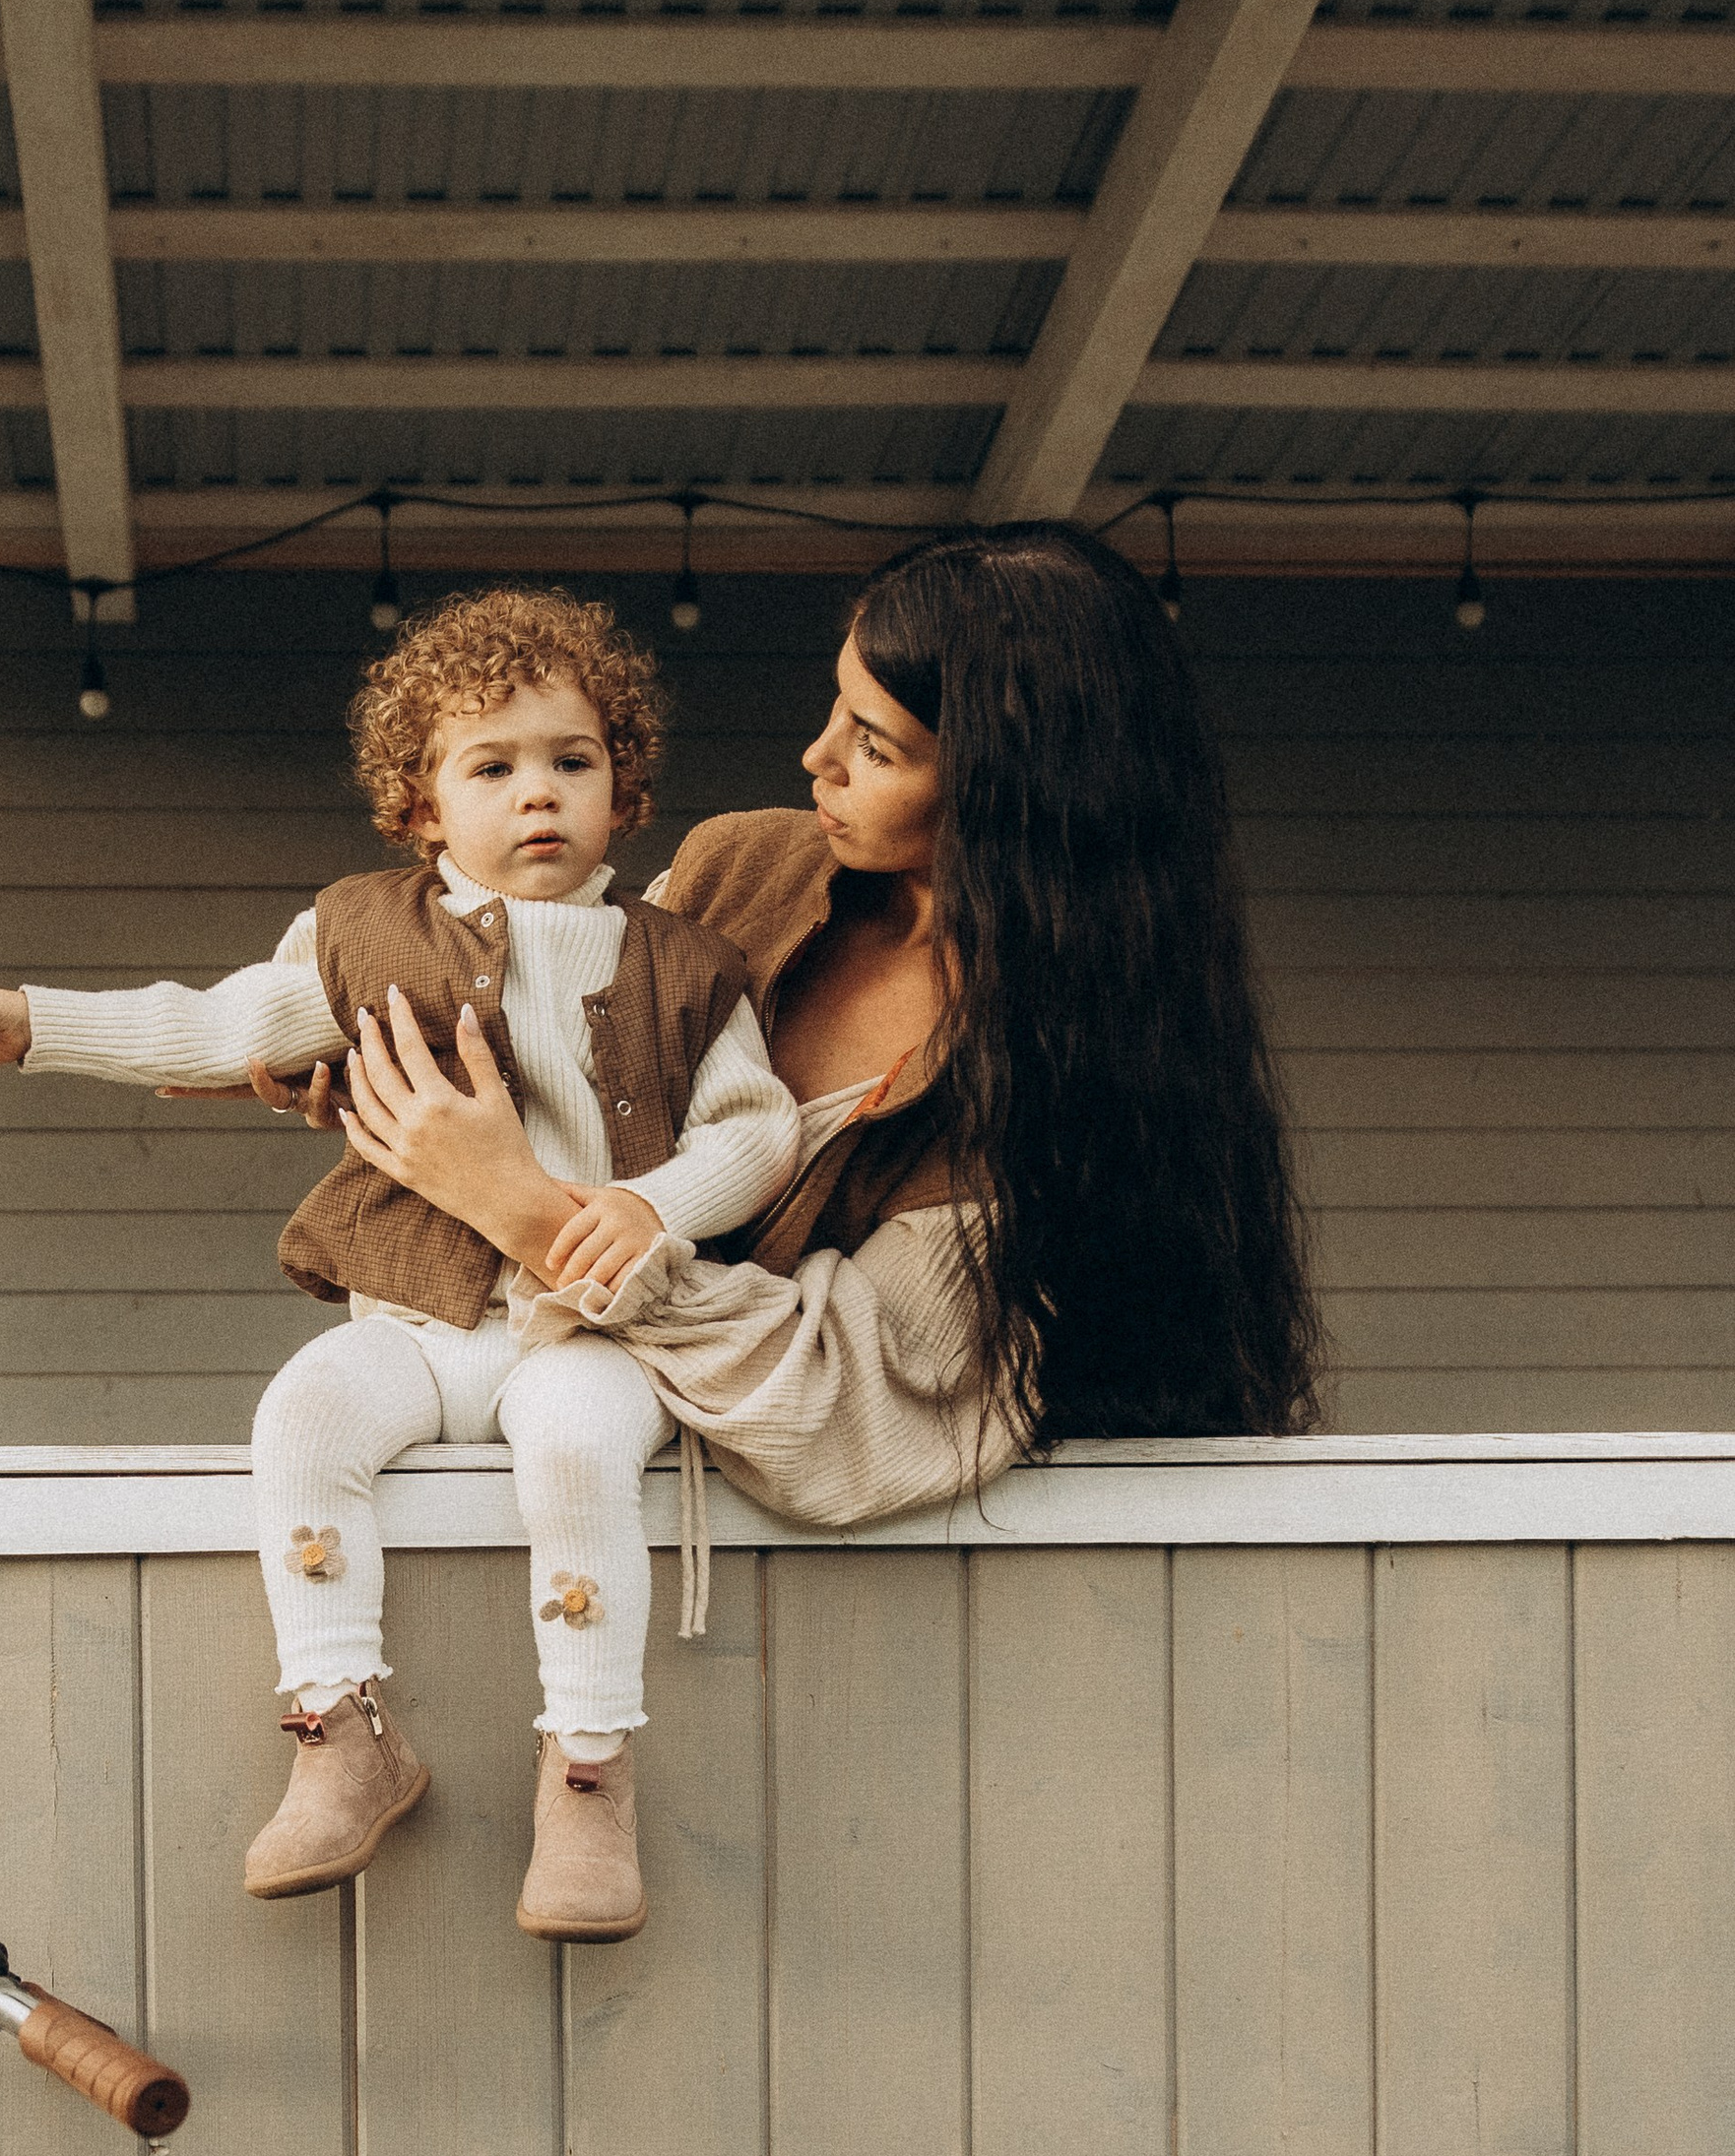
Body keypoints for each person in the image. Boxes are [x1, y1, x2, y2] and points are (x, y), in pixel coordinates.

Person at [0, 587, 800, 1943]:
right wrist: (30, 1023)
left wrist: (658, 1207)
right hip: (414, 1317)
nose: (538, 794)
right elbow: (216, 1025)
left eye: (572, 761)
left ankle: (588, 1772)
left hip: (585, 1331)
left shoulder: (687, 966)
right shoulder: (365, 936)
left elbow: (758, 1128)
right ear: (420, 805)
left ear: (623, 787)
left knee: (579, 1453)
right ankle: (342, 1733)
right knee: (303, 1416)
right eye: (490, 768)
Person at [312, 521, 1324, 1516]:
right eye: (838, 708)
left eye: (874, 746)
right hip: (517, 1466)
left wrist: (526, 1212)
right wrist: (377, 1066)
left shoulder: (1053, 1102)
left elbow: (836, 1406)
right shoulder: (735, 874)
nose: (816, 757)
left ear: (1011, 791)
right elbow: (532, 1013)